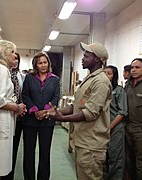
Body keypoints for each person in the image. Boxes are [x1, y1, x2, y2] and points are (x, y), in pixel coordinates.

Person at [49, 42, 112, 180]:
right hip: (83, 141)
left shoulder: (100, 82)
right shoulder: (89, 79)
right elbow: (75, 107)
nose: (83, 58)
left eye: (86, 56)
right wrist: (55, 111)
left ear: (97, 59)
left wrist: (61, 119)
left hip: (92, 144)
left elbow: (90, 113)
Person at [0, 40, 26, 179]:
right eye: (12, 52)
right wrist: (17, 107)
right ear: (4, 53)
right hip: (0, 121)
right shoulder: (0, 70)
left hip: (2, 121)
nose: (15, 56)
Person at [22, 51, 60, 180]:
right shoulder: (29, 77)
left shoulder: (55, 79)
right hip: (30, 121)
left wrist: (45, 111)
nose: (43, 65)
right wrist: (34, 110)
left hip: (47, 120)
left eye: (45, 62)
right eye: (40, 63)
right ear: (36, 65)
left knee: (45, 152)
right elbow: (25, 95)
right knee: (29, 152)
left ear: (48, 63)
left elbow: (56, 97)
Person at [2, 52, 25, 180]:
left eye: (17, 58)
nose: (15, 61)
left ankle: (10, 175)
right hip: (5, 115)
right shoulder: (2, 72)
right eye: (13, 58)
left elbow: (23, 94)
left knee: (14, 149)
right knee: (4, 151)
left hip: (18, 118)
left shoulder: (21, 76)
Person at [104, 65, 128, 180]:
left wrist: (110, 127)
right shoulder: (101, 90)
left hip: (115, 129)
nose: (105, 76)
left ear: (114, 76)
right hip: (102, 129)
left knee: (115, 157)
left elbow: (122, 112)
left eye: (109, 73)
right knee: (103, 157)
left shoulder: (119, 91)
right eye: (104, 73)